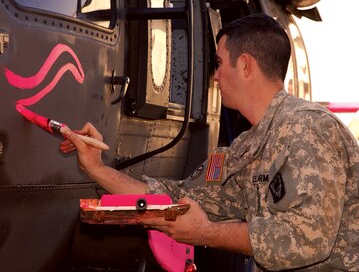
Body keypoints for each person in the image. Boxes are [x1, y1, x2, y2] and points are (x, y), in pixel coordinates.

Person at [60, 13, 359, 271]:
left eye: (218, 63)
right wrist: (96, 168)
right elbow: (176, 198)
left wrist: (206, 233)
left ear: (245, 65)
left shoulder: (308, 129)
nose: (215, 76)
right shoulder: (249, 146)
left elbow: (308, 239)